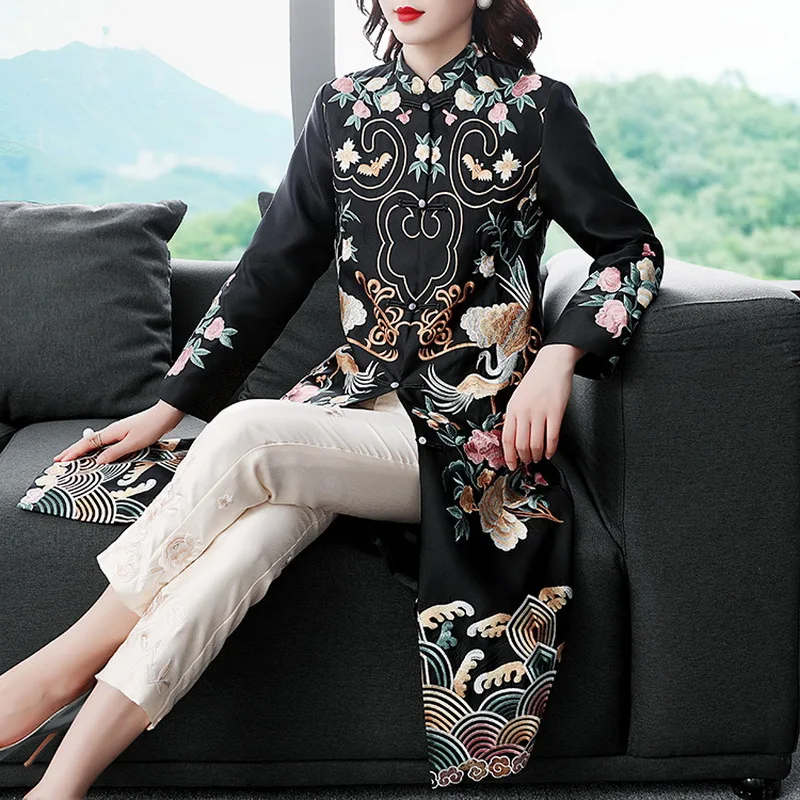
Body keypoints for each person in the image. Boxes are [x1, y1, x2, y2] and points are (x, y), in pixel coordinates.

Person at [0, 0, 665, 795]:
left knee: (249, 434)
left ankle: (52, 672)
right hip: (346, 412)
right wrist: (168, 404)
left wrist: (560, 357)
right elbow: (270, 270)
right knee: (240, 550)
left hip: (469, 435)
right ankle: (61, 784)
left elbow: (630, 248)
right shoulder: (344, 107)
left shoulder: (534, 108)